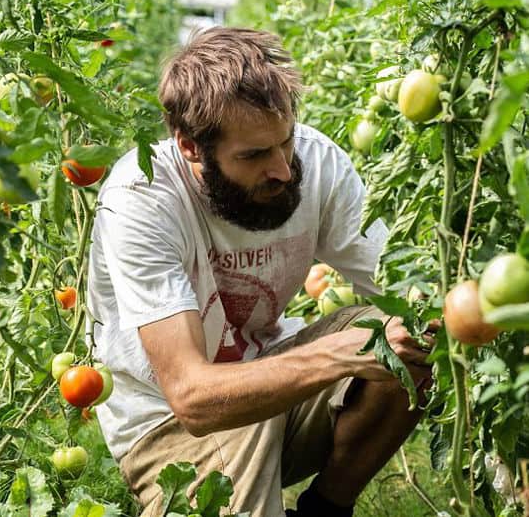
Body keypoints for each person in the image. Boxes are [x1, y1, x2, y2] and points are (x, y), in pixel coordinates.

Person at [86, 27, 434, 517]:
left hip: (276, 389)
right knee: (239, 414)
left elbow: (410, 293)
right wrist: (338, 356)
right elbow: (192, 399)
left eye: (285, 141)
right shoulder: (141, 201)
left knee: (408, 334)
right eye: (253, 156)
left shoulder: (316, 163)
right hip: (170, 430)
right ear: (190, 147)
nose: (284, 170)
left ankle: (326, 509)